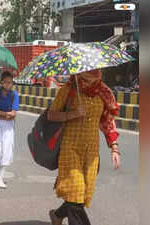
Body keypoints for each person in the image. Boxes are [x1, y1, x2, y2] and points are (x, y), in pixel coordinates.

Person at [47, 69, 121, 225]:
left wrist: (114, 147)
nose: (94, 75)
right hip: (70, 148)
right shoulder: (68, 90)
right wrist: (73, 114)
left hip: (91, 151)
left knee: (81, 194)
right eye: (90, 72)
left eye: (97, 71)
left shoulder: (103, 92)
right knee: (77, 190)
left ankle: (58, 215)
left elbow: (108, 121)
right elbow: (51, 115)